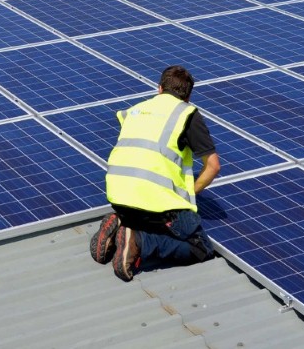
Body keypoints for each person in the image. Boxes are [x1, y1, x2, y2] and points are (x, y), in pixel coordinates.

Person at [90, 65, 221, 281]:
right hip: (156, 207)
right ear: (187, 96)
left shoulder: (134, 111)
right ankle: (139, 243)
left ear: (159, 88)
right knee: (201, 248)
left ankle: (119, 225)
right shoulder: (186, 114)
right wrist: (191, 191)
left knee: (145, 216)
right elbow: (213, 166)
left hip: (119, 198)